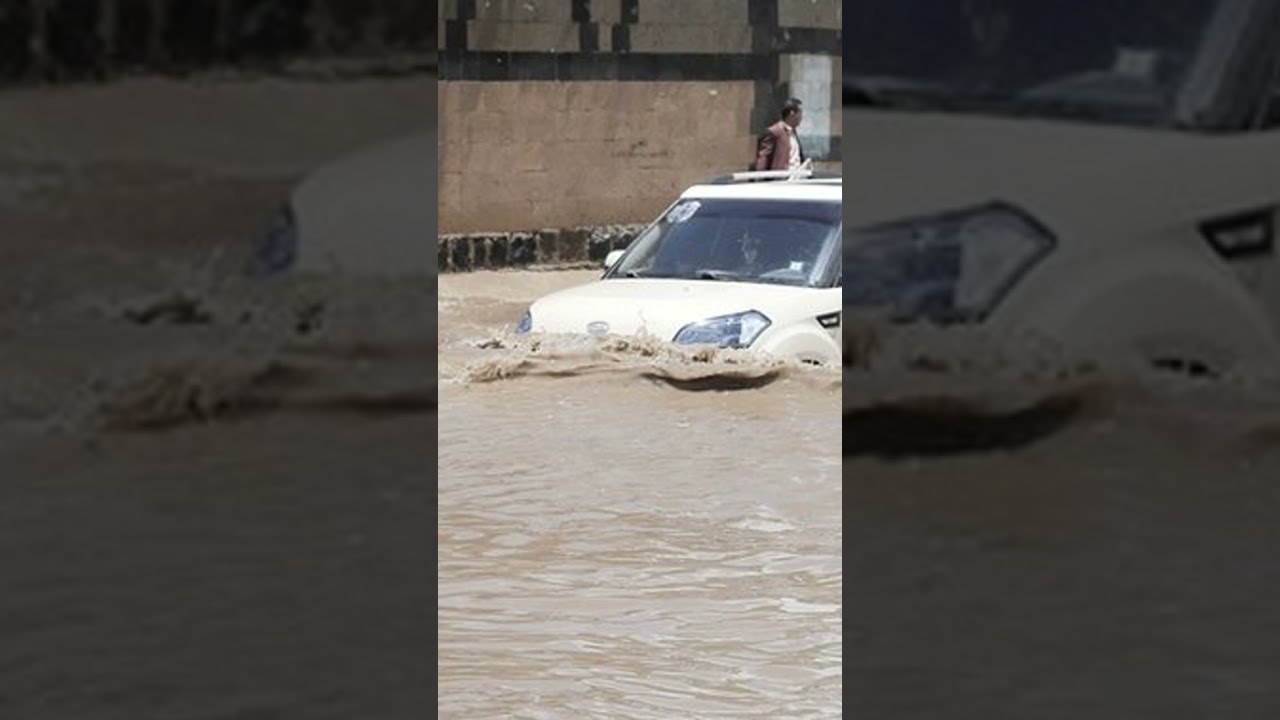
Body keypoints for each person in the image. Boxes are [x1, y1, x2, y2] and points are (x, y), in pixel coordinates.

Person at [755, 99, 812, 172]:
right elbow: (764, 158)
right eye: (800, 113)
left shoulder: (793, 132)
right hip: (782, 179)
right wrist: (760, 179)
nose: (801, 117)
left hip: (797, 178)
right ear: (792, 113)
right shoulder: (775, 132)